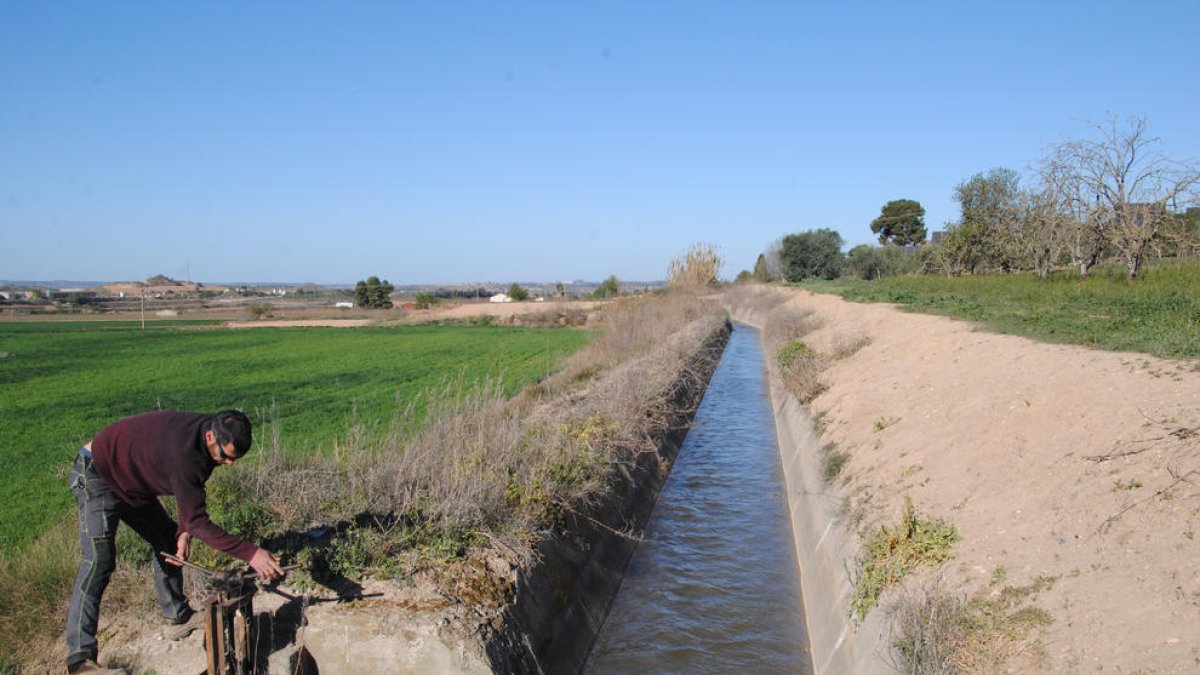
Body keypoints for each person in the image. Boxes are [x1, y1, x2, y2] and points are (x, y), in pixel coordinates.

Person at [65, 410, 284, 674]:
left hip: (130, 482)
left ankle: (176, 616)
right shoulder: (186, 452)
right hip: (97, 473)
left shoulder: (205, 441)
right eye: (225, 456)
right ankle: (80, 660)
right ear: (210, 436)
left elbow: (188, 494)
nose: (229, 464)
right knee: (99, 560)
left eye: (235, 458)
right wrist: (251, 553)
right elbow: (196, 518)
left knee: (169, 541)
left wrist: (184, 530)